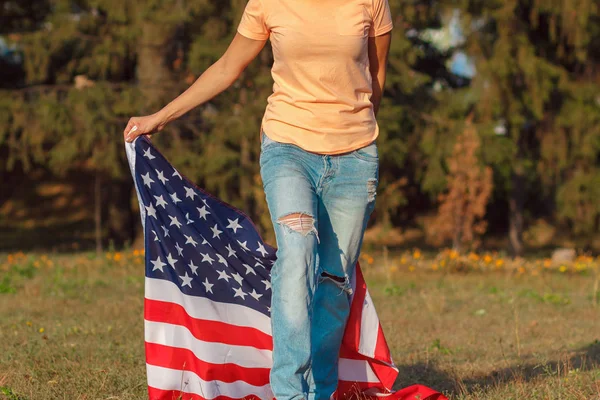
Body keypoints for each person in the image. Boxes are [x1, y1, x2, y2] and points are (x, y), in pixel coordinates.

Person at [124, 0, 393, 398]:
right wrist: (160, 117)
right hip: (288, 147)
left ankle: (321, 389)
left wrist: (354, 132)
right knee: (297, 254)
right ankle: (288, 391)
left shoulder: (371, 2)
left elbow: (376, 75)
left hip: (355, 157)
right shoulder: (268, 2)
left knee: (336, 278)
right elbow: (227, 67)